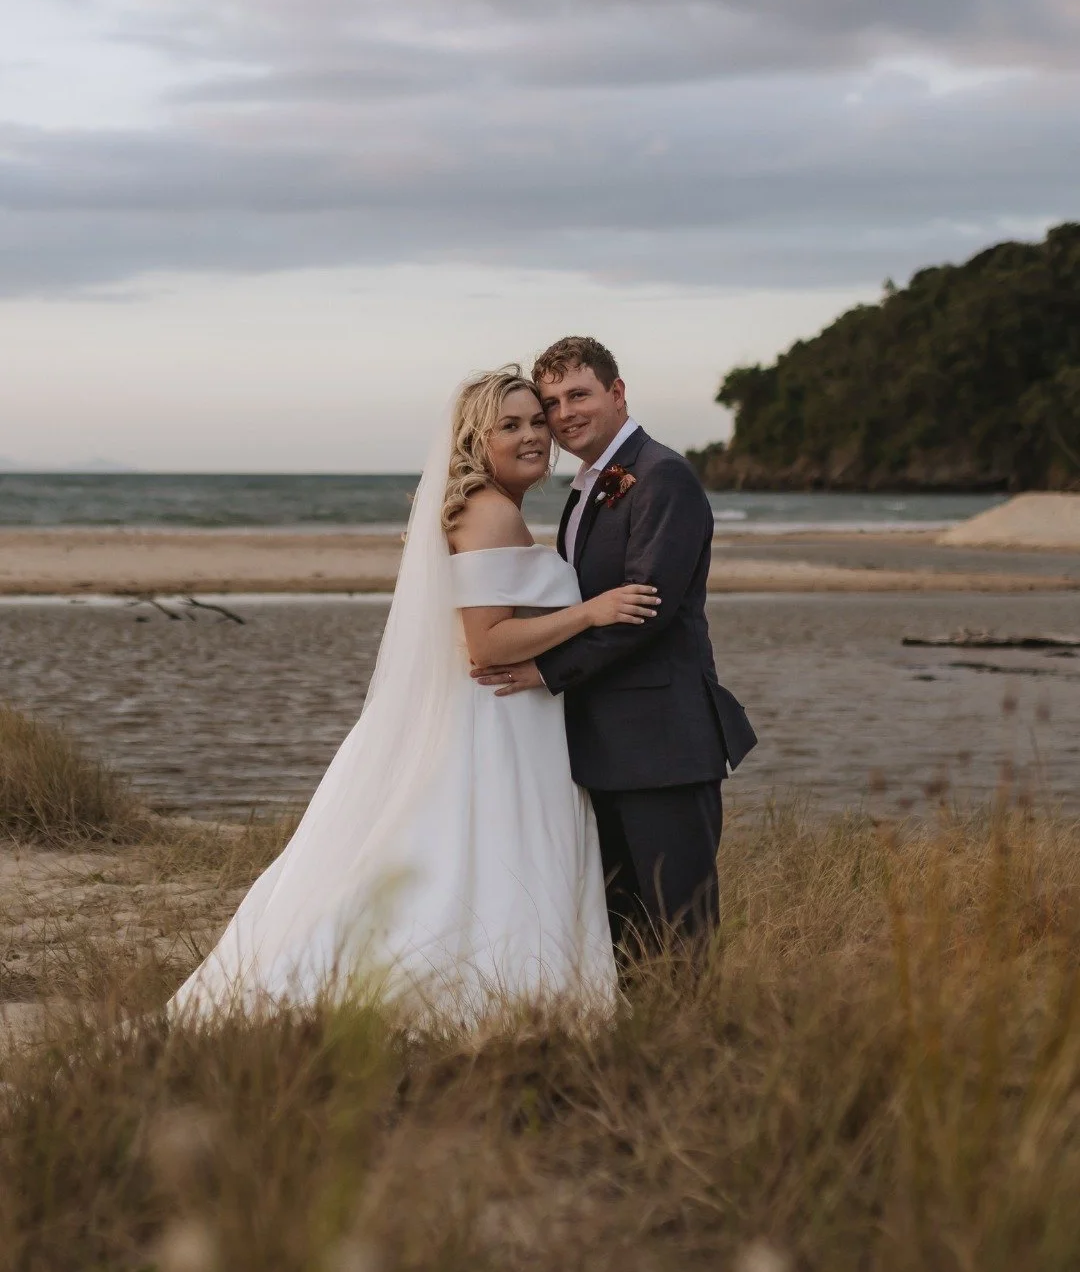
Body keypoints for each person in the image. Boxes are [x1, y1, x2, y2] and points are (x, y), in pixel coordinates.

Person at [169, 366, 659, 1023]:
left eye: (536, 422)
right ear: (476, 440)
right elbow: (486, 645)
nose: (532, 436)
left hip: (500, 718)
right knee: (480, 859)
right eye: (509, 426)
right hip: (494, 721)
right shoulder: (489, 514)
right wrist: (589, 613)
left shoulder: (491, 507)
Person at [474, 337, 756, 946]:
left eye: (579, 395)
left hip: (662, 743)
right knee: (621, 934)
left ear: (617, 392)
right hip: (603, 746)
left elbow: (644, 612)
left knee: (680, 932)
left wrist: (545, 671)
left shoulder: (661, 476)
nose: (564, 414)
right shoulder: (590, 485)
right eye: (552, 403)